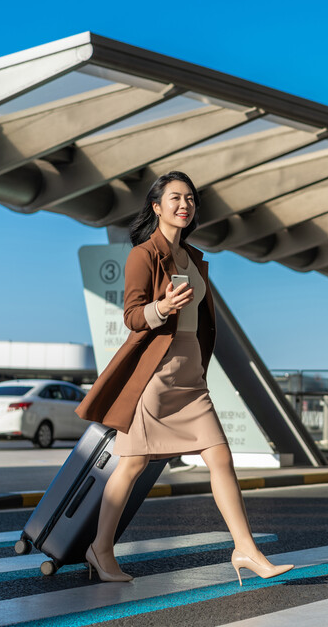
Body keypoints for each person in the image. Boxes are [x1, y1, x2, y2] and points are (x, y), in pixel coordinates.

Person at [76, 170, 292, 585]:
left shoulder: (193, 258)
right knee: (133, 463)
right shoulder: (144, 254)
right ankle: (100, 549)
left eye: (190, 198)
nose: (184, 204)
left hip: (190, 375)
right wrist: (163, 306)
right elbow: (132, 315)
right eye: (175, 197)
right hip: (153, 375)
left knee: (220, 456)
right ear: (157, 207)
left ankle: (245, 549)